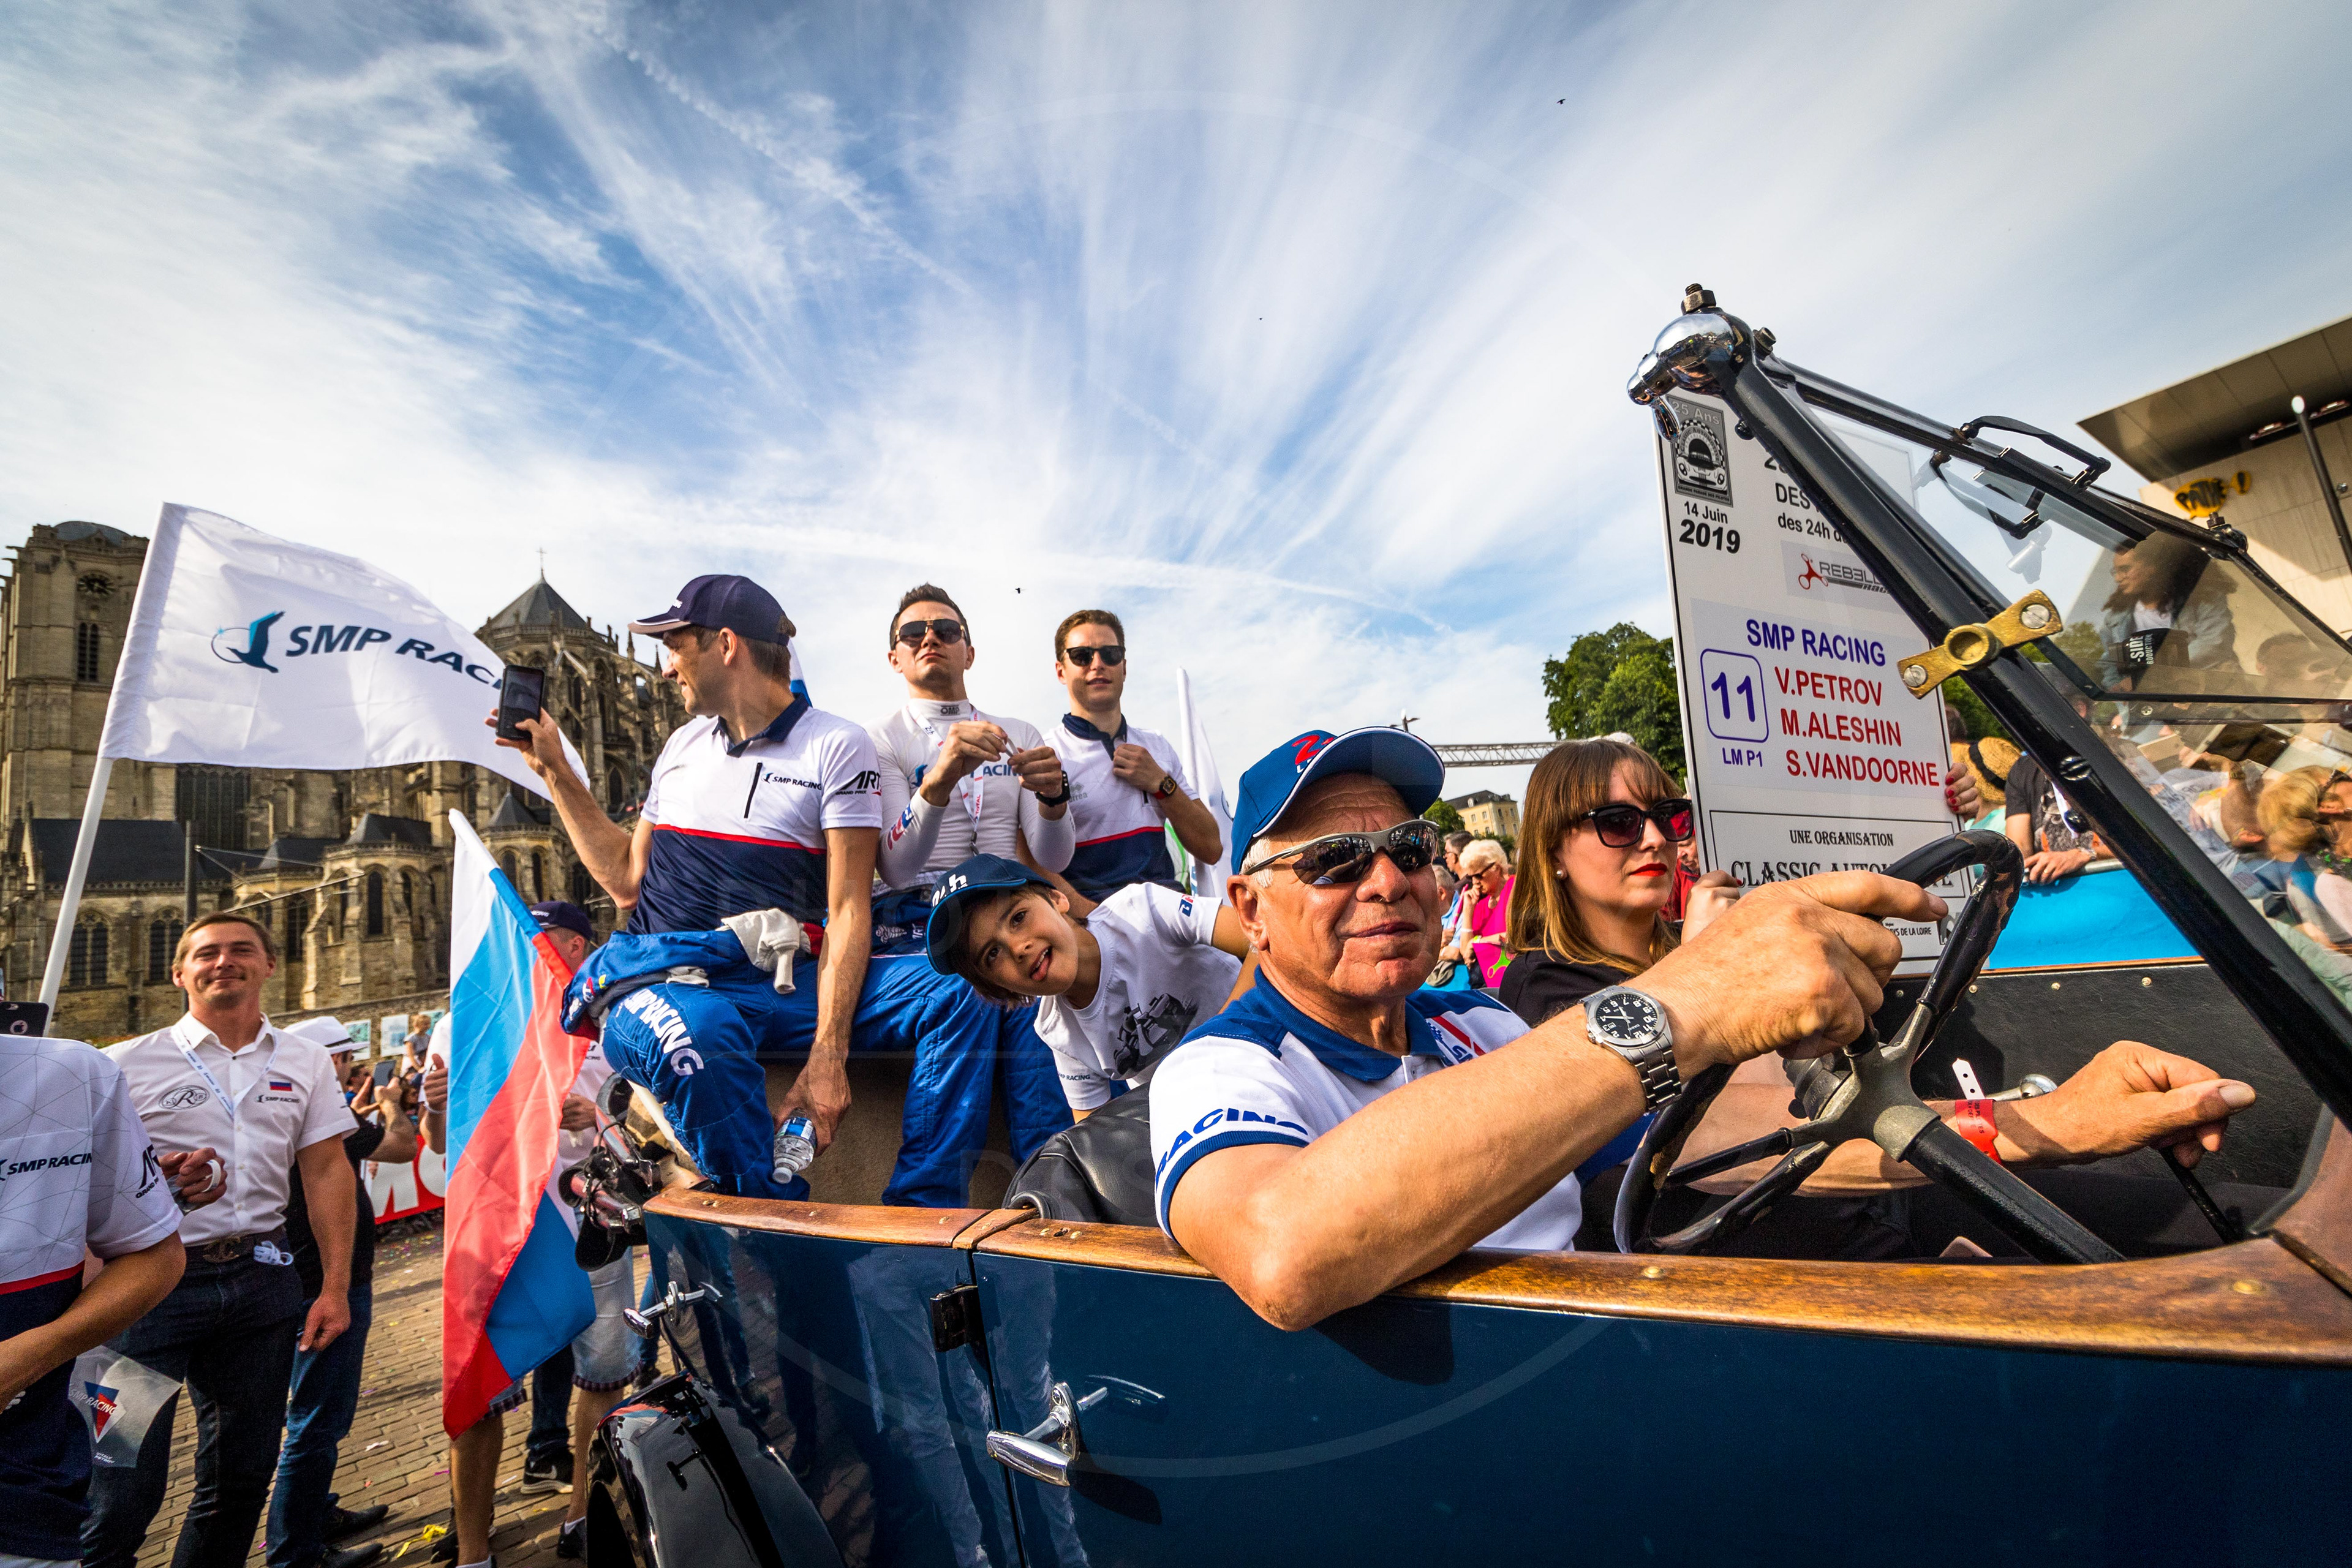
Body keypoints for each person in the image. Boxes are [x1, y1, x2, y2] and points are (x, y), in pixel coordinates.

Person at [1146, 727, 2258, 1330]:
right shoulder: (1221, 1067)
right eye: (1335, 860)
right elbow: (1286, 1252)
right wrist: (1691, 995)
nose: (1385, 878)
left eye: (1409, 849)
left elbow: (1775, 1148)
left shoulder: (1476, 1022)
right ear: (1246, 909)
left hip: (1640, 1351)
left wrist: (2053, 1122)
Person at [500, 572, 1058, 1208]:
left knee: (970, 987)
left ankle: (921, 1214)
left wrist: (829, 1054)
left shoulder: (837, 744)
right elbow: (627, 879)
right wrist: (558, 773)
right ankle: (768, 1230)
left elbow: (850, 907)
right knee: (698, 1040)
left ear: (727, 645)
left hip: (782, 978)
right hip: (667, 980)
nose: (666, 669)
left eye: (675, 646)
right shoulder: (681, 745)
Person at [88, 911, 361, 1568]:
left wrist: (333, 1286)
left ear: (271, 964)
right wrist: (159, 1186)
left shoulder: (303, 1061)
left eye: (242, 949)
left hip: (259, 1285)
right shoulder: (119, 1064)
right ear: (180, 972)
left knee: (238, 1481)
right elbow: (86, 1185)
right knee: (119, 1483)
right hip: (147, 1288)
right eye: (206, 953)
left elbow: (326, 1169)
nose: (224, 961)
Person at [419, 902, 639, 1568]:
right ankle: (475, 1550)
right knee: (482, 1391)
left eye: (540, 937)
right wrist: (434, 1106)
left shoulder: (616, 1024)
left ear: (577, 945)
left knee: (601, 1375)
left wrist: (596, 1114)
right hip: (495, 1230)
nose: (529, 948)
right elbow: (435, 1145)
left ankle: (579, 1512)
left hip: (592, 1225)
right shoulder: (463, 1022)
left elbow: (646, 1129)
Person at [861, 586, 1076, 1187]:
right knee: (978, 993)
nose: (930, 638)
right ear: (896, 660)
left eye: (946, 630)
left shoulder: (1018, 730)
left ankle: (1052, 1196)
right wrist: (940, 778)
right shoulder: (880, 738)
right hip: (922, 918)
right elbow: (897, 867)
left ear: (969, 652)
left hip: (1008, 911)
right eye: (913, 633)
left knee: (1048, 992)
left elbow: (1057, 853)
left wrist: (1055, 797)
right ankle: (929, 1202)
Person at [0, 1033, 189, 1568]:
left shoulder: (72, 1072)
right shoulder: (126, 1056)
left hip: (21, 1496)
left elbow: (152, 1247)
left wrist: (26, 1357)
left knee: (151, 1474)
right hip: (130, 1323)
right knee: (121, 1488)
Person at [924, 853, 1249, 1115]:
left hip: (1268, 1047)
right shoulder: (1057, 1032)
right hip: (1202, 1112)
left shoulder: (1143, 910)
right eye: (992, 954)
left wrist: (1214, 1044)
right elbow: (1092, 1135)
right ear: (996, 985)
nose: (1017, 949)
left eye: (1018, 917)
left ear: (1057, 899)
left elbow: (1262, 942)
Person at [266, 1019, 420, 1568]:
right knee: (316, 1420)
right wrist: (391, 1103)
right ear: (324, 1062)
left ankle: (316, 1512)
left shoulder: (290, 1107)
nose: (352, 1067)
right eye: (344, 1059)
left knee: (313, 1416)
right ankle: (295, 1552)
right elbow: (403, 1146)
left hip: (304, 1280)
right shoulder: (318, 1112)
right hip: (326, 1286)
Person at [1041, 609, 1223, 904]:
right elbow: (1034, 862)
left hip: (1171, 913)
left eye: (1110, 654)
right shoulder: (1048, 755)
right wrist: (1085, 914)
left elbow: (1211, 848)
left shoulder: (1157, 747)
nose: (1098, 664)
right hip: (1095, 922)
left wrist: (1162, 784)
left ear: (1123, 667)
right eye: (1082, 655)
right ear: (1061, 671)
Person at [2095, 533, 2237, 689]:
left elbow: (2215, 644)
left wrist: (2149, 678)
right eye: (2115, 571)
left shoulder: (2202, 598)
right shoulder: (2114, 622)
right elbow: (2111, 667)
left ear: (2152, 567)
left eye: (2125, 569)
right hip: (2154, 709)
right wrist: (2121, 690)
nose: (2118, 578)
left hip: (2213, 696)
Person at [1436, 839, 1512, 987]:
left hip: (1509, 977)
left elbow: (1520, 936)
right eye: (1470, 877)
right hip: (1488, 981)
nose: (1474, 882)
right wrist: (1468, 910)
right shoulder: (1480, 903)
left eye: (1478, 876)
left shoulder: (1513, 888)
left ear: (1496, 868)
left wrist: (1479, 941)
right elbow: (1465, 951)